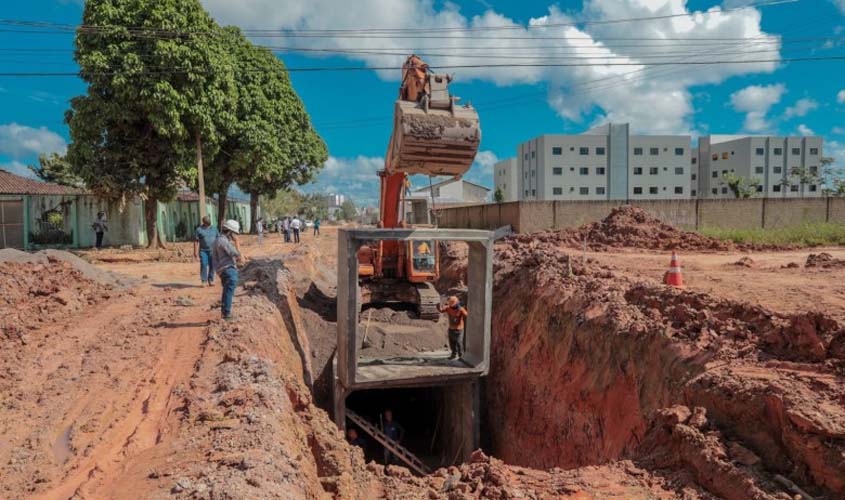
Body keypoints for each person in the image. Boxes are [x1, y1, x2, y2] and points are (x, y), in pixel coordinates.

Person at [212, 220, 245, 320]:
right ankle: (226, 313)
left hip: (222, 269)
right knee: (229, 288)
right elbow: (235, 253)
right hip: (227, 269)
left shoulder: (218, 240)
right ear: (230, 232)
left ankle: (225, 312)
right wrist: (237, 242)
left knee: (227, 290)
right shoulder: (223, 241)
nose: (234, 236)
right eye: (234, 233)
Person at [438, 296, 468, 360]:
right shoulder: (448, 308)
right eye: (451, 305)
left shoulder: (460, 309)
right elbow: (441, 310)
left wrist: (465, 309)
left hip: (459, 329)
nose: (452, 306)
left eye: (452, 305)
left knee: (459, 343)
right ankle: (453, 355)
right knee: (452, 343)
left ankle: (461, 356)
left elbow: (467, 315)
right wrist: (438, 306)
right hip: (451, 329)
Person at [193, 215, 219, 286]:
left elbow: (218, 239)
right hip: (203, 251)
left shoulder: (214, 229)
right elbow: (196, 241)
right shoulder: (199, 230)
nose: (208, 222)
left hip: (213, 250)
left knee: (212, 265)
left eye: (209, 221)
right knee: (204, 264)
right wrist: (195, 252)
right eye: (207, 221)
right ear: (204, 222)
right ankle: (204, 280)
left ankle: (211, 280)